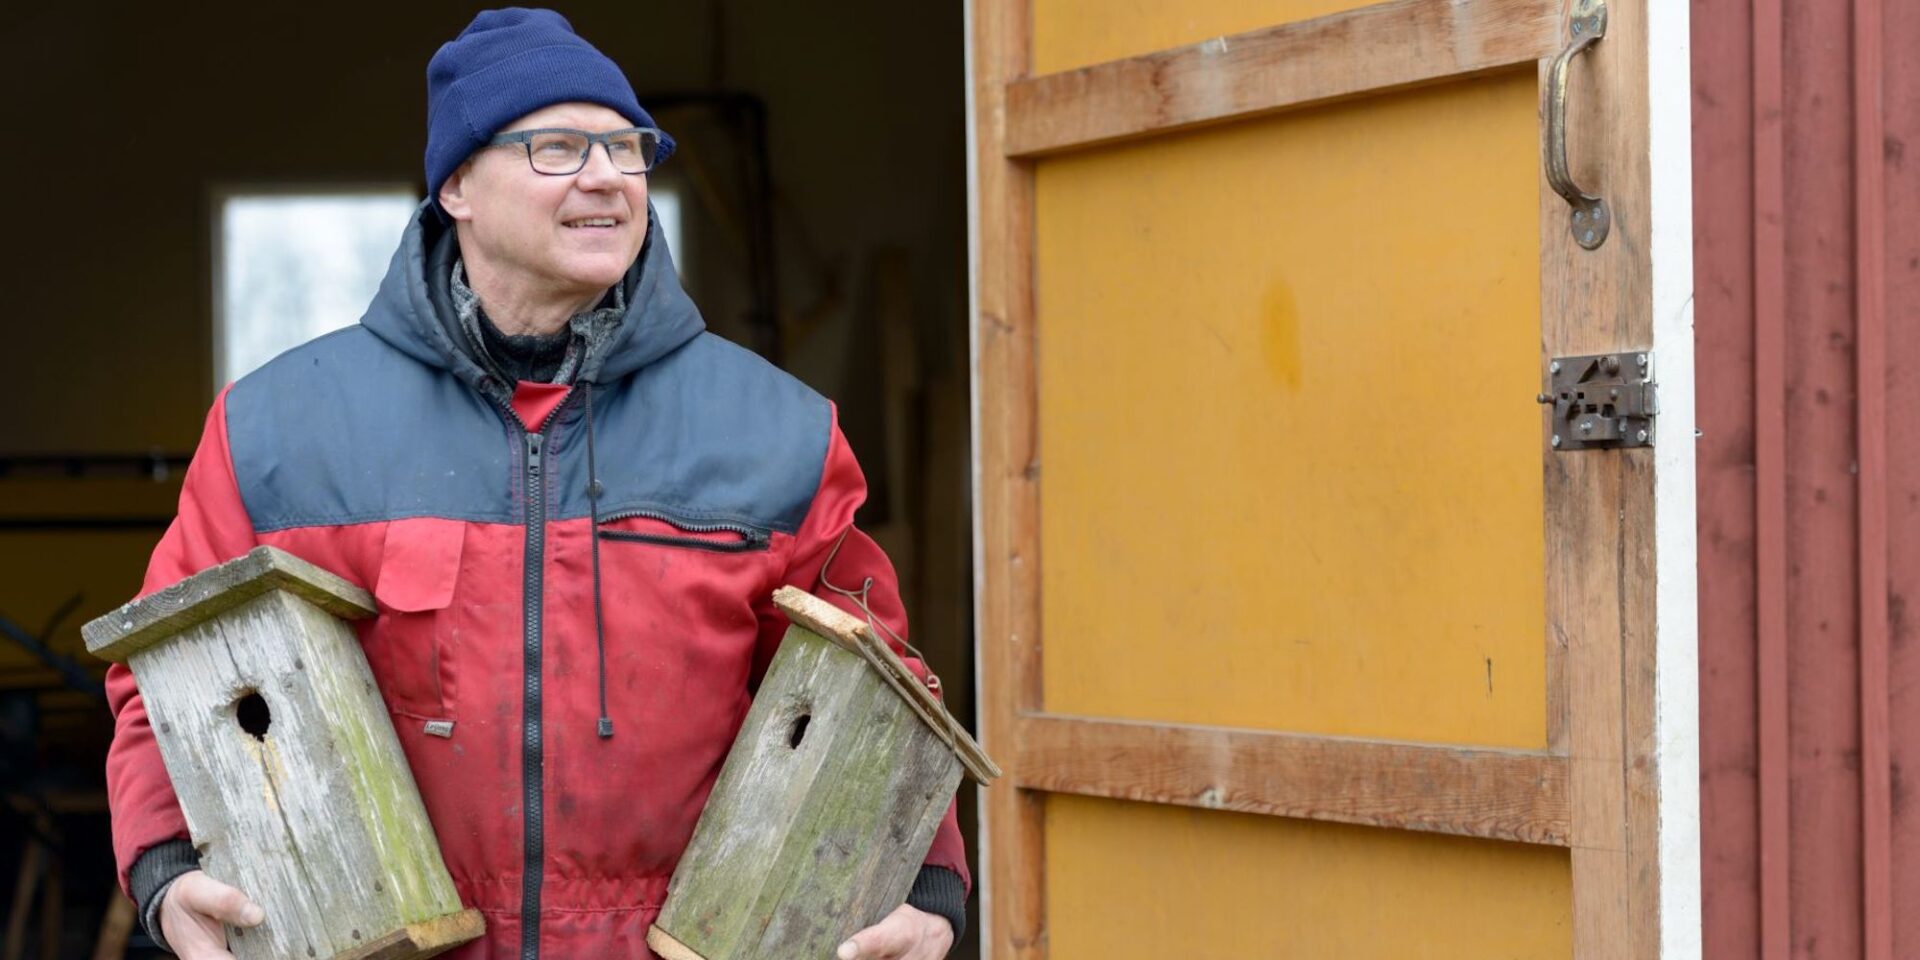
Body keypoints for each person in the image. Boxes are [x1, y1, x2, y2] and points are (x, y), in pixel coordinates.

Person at [102, 9, 968, 959]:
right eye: (557, 147)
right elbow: (167, 675)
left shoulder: (776, 430)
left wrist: (924, 885)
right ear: (459, 185)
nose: (606, 175)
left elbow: (874, 691)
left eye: (627, 148)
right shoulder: (278, 428)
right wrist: (166, 867)